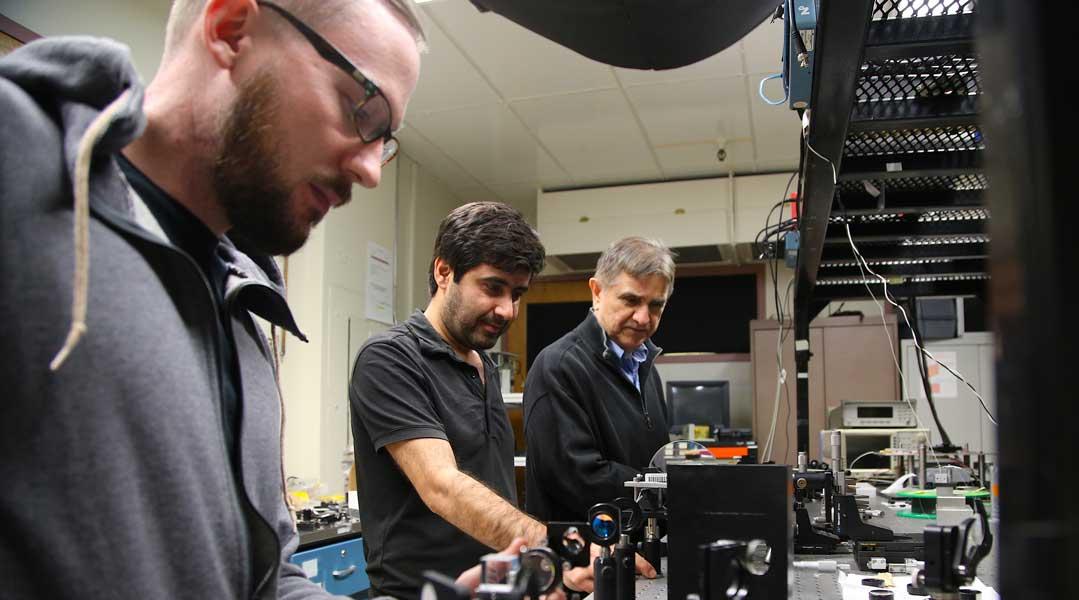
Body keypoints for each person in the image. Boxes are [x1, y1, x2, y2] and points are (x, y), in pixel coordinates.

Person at [0, 0, 434, 597]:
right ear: (231, 28)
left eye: (383, 140)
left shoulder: (246, 310)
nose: (370, 171)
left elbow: (265, 579)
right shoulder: (18, 162)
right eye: (362, 108)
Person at [352, 201, 600, 600]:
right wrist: (559, 545)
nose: (508, 310)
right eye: (493, 288)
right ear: (444, 271)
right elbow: (443, 486)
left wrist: (543, 573)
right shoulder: (390, 358)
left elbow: (491, 489)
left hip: (496, 589)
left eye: (517, 294)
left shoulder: (483, 365)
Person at [523, 237, 675, 522]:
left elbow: (653, 462)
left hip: (639, 544)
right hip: (582, 555)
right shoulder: (558, 366)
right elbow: (578, 478)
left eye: (656, 305)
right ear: (597, 291)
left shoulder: (646, 369)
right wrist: (668, 488)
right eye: (630, 300)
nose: (643, 318)